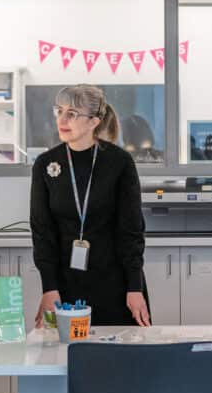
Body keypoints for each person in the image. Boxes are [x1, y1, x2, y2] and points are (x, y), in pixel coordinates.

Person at [31, 84, 151, 327]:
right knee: (66, 359)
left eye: (72, 114)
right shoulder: (46, 164)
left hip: (116, 284)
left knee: (120, 357)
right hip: (65, 287)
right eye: (60, 111)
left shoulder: (119, 162)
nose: (62, 120)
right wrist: (49, 287)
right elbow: (42, 231)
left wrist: (134, 286)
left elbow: (131, 230)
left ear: (94, 121)